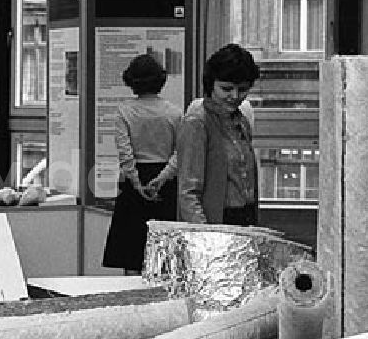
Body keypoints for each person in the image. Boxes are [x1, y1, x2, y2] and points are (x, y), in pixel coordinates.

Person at [101, 54, 182, 274]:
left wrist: (136, 182)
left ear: (131, 82)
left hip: (134, 179)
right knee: (165, 252)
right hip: (166, 179)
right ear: (161, 81)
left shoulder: (124, 111)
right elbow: (180, 152)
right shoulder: (174, 112)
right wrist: (163, 177)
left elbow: (125, 153)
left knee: (131, 251)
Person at [177, 43, 261, 226]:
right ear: (211, 84)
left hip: (244, 217)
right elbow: (188, 193)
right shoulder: (197, 122)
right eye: (226, 88)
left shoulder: (241, 121)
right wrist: (204, 235)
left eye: (243, 89)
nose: (235, 96)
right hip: (214, 221)